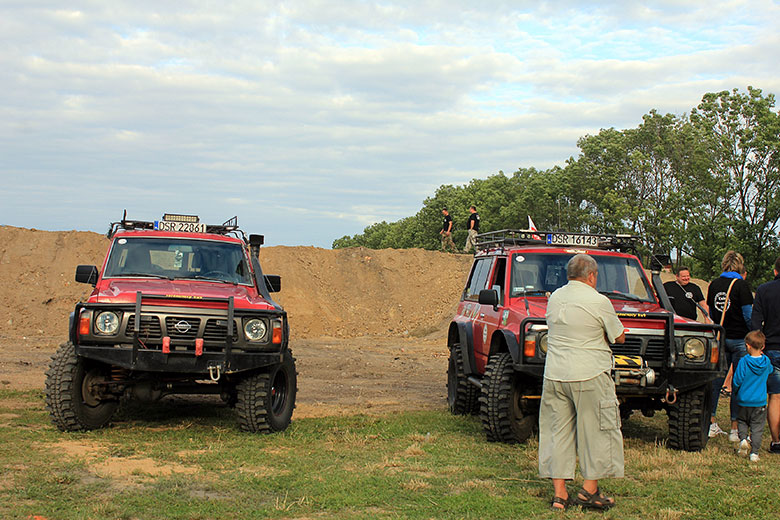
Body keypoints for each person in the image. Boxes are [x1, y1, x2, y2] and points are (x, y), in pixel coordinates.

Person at [539, 254, 626, 511]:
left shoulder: (555, 297)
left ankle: (559, 494)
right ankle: (589, 490)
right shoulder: (599, 301)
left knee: (557, 431)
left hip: (555, 373)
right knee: (597, 430)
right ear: (592, 275)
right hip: (589, 373)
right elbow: (618, 336)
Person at [707, 251, 753, 442]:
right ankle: (735, 428)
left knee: (716, 382)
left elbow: (711, 312)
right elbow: (748, 315)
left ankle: (711, 422)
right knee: (739, 383)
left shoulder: (714, 284)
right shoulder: (741, 286)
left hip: (720, 337)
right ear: (740, 266)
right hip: (740, 339)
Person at [750, 255, 780, 454]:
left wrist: (758, 347)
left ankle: (777, 442)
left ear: (775, 271)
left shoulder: (763, 290)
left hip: (772, 347)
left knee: (775, 397)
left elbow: (755, 322)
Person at [732, 330, 773, 461]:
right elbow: (771, 370)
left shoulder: (744, 361)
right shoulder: (766, 362)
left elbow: (737, 379)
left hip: (744, 399)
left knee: (742, 422)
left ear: (747, 345)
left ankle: (743, 439)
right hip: (759, 401)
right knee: (757, 427)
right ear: (763, 347)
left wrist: (735, 390)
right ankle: (754, 453)